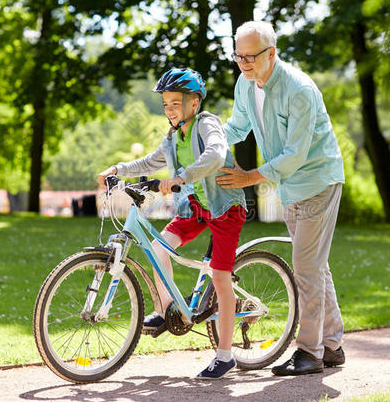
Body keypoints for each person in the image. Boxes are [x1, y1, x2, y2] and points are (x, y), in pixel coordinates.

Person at [97, 68, 246, 380]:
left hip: (225, 208)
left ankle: (226, 355)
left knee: (220, 277)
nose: (169, 111)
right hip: (195, 208)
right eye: (165, 105)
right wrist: (119, 168)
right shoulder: (173, 136)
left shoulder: (207, 123)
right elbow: (152, 161)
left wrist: (181, 177)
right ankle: (168, 312)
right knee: (158, 247)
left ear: (194, 103)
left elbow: (216, 154)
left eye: (175, 104)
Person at [216, 21, 346, 376]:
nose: (243, 63)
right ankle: (332, 345)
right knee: (315, 266)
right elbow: (237, 126)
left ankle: (309, 353)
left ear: (271, 53)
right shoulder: (245, 83)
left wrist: (248, 177)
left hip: (317, 181)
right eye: (238, 55)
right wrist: (206, 141)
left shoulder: (299, 89)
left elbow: (294, 155)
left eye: (251, 56)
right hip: (290, 186)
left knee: (307, 268)